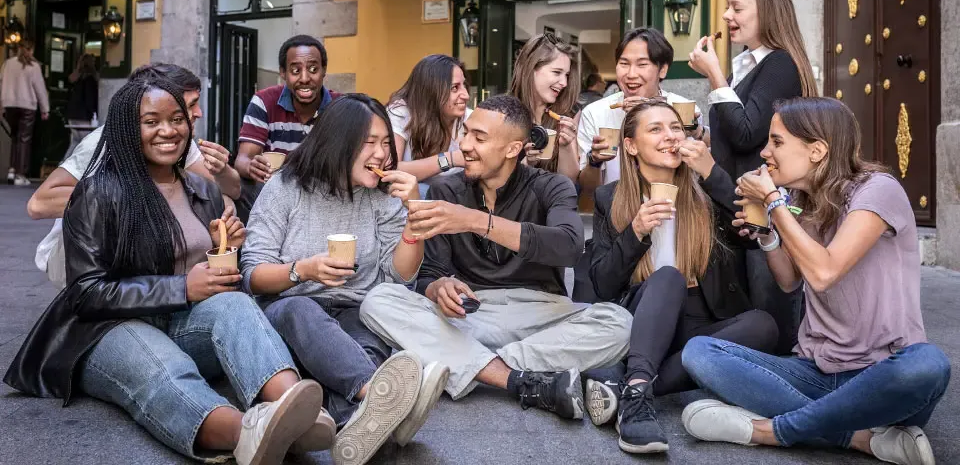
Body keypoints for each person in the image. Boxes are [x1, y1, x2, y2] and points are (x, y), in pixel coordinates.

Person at [3, 77, 339, 464]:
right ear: (129, 128)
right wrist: (182, 287)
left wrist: (222, 246)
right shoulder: (97, 192)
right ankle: (248, 433)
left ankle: (297, 411)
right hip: (105, 330)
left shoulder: (203, 189)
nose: (169, 130)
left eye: (178, 119)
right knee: (166, 367)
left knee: (236, 307)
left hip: (181, 322)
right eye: (152, 121)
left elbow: (206, 273)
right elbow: (86, 293)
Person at [681, 98, 950, 465]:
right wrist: (767, 235)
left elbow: (824, 273)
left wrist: (773, 201)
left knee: (928, 365)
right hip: (816, 371)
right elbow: (791, 281)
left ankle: (772, 431)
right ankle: (859, 438)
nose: (765, 152)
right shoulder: (800, 200)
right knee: (700, 353)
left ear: (817, 150)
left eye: (776, 142)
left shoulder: (876, 190)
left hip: (881, 375)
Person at [360, 95, 632, 420]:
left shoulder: (552, 186)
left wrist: (474, 221)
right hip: (470, 316)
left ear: (513, 149)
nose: (465, 145)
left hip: (541, 316)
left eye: (479, 137)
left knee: (620, 323)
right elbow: (429, 274)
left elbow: (570, 246)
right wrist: (438, 287)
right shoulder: (446, 191)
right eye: (466, 133)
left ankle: (468, 365)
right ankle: (517, 378)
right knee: (378, 300)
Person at [242, 94, 448, 465]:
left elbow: (398, 281)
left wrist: (413, 216)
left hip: (355, 308)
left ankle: (358, 422)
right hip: (289, 312)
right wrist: (301, 270)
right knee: (301, 310)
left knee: (366, 337)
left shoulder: (383, 197)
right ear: (338, 140)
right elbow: (253, 275)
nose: (383, 153)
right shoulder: (286, 187)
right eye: (369, 142)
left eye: (387, 142)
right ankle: (381, 395)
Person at [584, 101, 777, 454]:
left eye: (675, 127)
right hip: (647, 317)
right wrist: (636, 231)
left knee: (763, 325)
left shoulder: (705, 193)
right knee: (669, 277)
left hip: (699, 324)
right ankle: (638, 399)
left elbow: (750, 230)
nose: (670, 136)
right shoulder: (609, 199)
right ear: (630, 145)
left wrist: (711, 171)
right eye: (655, 129)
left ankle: (625, 382)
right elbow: (603, 284)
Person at [687, 0, 818, 355]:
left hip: (764, 206)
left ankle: (777, 378)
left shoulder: (780, 64)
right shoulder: (746, 64)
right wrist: (698, 136)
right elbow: (735, 135)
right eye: (727, 6)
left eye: (737, 7)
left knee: (771, 312)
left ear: (768, 12)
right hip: (736, 201)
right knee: (747, 310)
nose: (727, 15)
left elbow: (747, 134)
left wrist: (713, 75)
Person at [26, 64, 241, 288]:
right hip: (92, 269)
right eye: (192, 104)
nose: (199, 113)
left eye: (178, 118)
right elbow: (38, 204)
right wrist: (129, 198)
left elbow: (228, 190)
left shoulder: (177, 139)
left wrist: (222, 170)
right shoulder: (107, 140)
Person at [574, 28, 702, 302]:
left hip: (675, 216)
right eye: (624, 63)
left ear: (662, 69)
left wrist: (656, 115)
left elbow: (702, 153)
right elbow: (586, 189)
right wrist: (595, 161)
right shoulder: (596, 113)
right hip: (616, 218)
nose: (631, 74)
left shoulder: (682, 108)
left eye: (642, 64)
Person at [235, 35, 340, 189]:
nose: (304, 78)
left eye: (313, 69)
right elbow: (243, 159)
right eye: (295, 70)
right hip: (275, 196)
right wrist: (252, 167)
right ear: (283, 73)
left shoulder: (339, 107)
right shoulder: (264, 102)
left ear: (324, 70)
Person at [386, 54, 471, 196]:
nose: (466, 95)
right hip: (407, 200)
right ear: (432, 91)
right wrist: (450, 159)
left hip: (454, 199)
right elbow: (390, 170)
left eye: (464, 85)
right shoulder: (402, 112)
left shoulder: (470, 119)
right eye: (455, 88)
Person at [509, 33, 581, 183]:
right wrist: (527, 163)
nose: (564, 83)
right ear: (531, 68)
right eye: (556, 72)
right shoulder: (504, 112)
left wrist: (566, 147)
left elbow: (570, 180)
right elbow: (493, 179)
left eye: (566, 75)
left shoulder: (568, 113)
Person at [1, 39, 49, 186]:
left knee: (14, 137)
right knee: (24, 139)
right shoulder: (33, 66)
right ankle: (20, 174)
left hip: (9, 105)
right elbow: (40, 88)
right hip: (27, 105)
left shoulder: (8, 63)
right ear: (31, 50)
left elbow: (1, 82)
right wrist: (45, 108)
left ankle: (11, 169)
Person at [64, 53, 99, 158]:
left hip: (72, 115)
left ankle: (63, 166)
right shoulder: (90, 80)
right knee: (87, 144)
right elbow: (90, 100)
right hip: (83, 117)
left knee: (75, 142)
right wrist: (94, 114)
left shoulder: (75, 79)